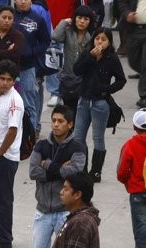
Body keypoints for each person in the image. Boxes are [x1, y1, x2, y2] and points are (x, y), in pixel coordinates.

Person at [29, 105, 87, 248]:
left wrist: (47, 164)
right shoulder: (41, 145)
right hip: (42, 211)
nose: (55, 124)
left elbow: (75, 173)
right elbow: (33, 172)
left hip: (65, 212)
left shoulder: (78, 148)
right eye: (53, 120)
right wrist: (62, 168)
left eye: (60, 121)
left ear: (70, 124)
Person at [73, 27, 126, 183]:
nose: (99, 42)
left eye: (103, 39)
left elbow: (121, 80)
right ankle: (81, 168)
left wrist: (106, 90)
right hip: (84, 100)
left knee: (98, 137)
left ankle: (96, 171)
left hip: (100, 103)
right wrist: (90, 56)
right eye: (97, 38)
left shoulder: (112, 58)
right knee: (78, 137)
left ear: (109, 42)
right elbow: (77, 70)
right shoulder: (87, 53)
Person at [0, 60, 24, 248]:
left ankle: (3, 240)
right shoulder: (1, 97)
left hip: (5, 158)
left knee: (1, 200)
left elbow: (12, 131)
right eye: (2, 79)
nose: (6, 83)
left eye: (9, 80)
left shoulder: (14, 101)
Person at [117, 109, 146, 248]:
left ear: (134, 127)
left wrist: (128, 183)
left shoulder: (130, 145)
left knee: (142, 233)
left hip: (138, 193)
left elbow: (121, 173)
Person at [14, 0, 51, 134]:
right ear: (15, 0)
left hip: (28, 68)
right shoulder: (8, 16)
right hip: (8, 68)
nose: (23, 2)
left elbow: (45, 41)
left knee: (28, 102)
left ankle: (32, 132)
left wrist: (31, 53)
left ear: (31, 0)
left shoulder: (38, 19)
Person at [50, 5, 95, 109]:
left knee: (81, 109)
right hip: (68, 79)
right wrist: (64, 21)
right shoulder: (68, 32)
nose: (82, 21)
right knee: (68, 109)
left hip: (84, 80)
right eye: (79, 18)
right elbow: (55, 36)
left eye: (86, 19)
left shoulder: (92, 36)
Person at [52, 172, 100, 248]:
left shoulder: (80, 223)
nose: (61, 192)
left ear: (77, 194)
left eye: (65, 189)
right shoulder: (78, 218)